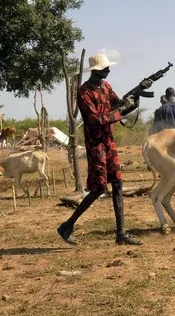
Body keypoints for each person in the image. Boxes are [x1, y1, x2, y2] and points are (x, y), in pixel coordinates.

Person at [57, 53, 149, 246]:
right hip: (96, 144)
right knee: (99, 187)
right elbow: (94, 120)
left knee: (117, 184)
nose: (109, 70)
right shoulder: (84, 92)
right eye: (105, 68)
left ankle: (121, 234)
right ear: (97, 70)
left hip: (109, 142)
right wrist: (121, 112)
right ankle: (67, 225)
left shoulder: (106, 87)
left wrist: (137, 95)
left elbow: (119, 105)